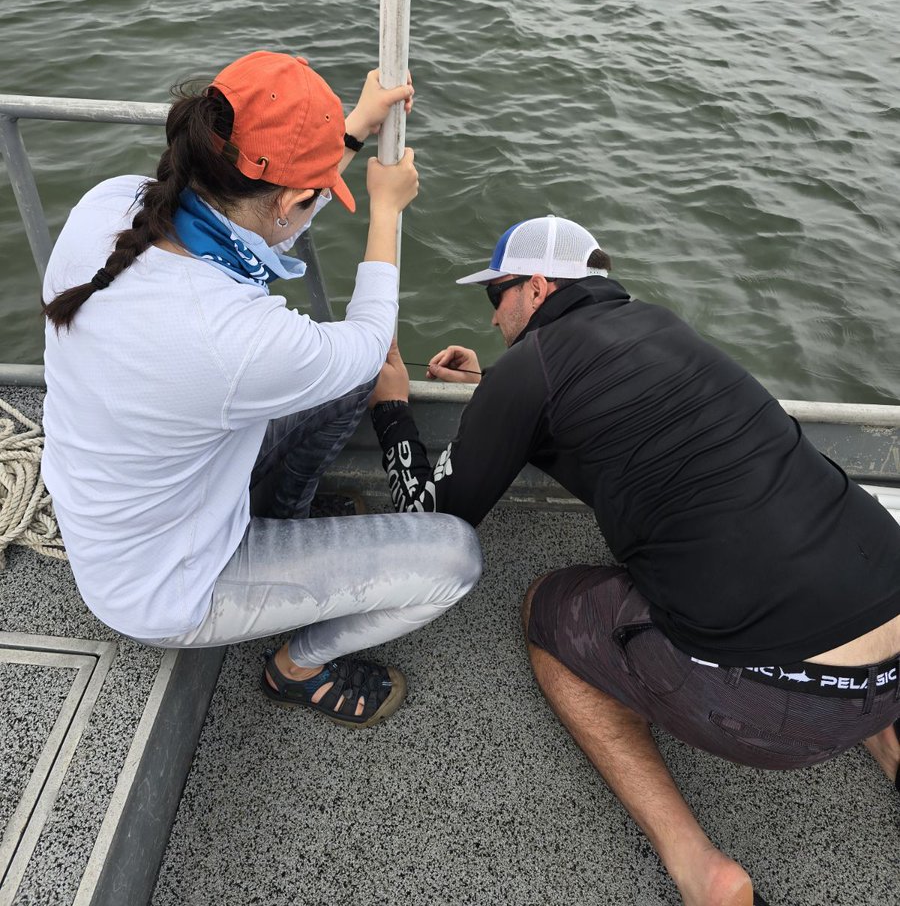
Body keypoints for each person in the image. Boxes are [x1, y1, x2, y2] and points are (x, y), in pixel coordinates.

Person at [368, 214, 900, 902]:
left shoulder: (531, 367)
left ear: (535, 287)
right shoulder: (661, 323)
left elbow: (425, 522)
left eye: (494, 297)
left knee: (550, 613)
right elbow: (583, 408)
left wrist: (391, 410)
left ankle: (701, 871)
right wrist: (496, 388)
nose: (494, 315)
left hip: (780, 706)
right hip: (891, 625)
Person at [41, 50, 481, 729]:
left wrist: (352, 130)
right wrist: (385, 210)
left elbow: (265, 212)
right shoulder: (236, 342)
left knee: (338, 382)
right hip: (169, 586)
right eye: (320, 189)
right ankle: (298, 668)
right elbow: (368, 340)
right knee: (454, 559)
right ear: (291, 200)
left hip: (122, 513)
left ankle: (283, 512)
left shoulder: (110, 204)